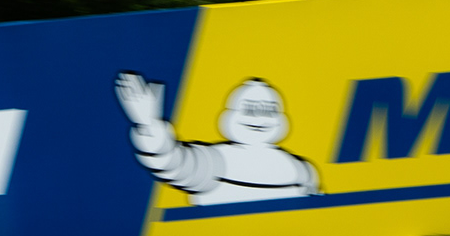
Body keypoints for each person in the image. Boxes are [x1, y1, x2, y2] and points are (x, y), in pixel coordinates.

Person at [114, 73, 319, 206]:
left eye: (268, 110)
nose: (258, 118)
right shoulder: (216, 160)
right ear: (230, 115)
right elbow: (174, 162)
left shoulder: (301, 169)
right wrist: (149, 126)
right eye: (249, 109)